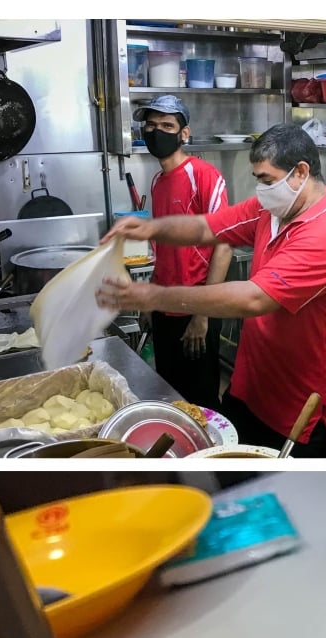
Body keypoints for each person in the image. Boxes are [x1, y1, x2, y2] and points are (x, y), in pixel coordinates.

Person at [100, 125, 326, 454]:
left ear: (300, 172)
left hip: (302, 411)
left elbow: (253, 298)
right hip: (252, 388)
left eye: (267, 180)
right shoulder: (271, 210)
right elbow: (205, 226)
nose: (261, 189)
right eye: (258, 179)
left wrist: (153, 295)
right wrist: (148, 228)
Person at [132, 95, 230, 412]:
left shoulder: (204, 176)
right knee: (170, 393)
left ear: (183, 134)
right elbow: (163, 249)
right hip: (166, 306)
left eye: (166, 125)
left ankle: (209, 461)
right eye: (150, 125)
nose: (156, 131)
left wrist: (203, 314)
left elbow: (223, 244)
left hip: (196, 307)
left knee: (200, 400)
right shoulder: (158, 181)